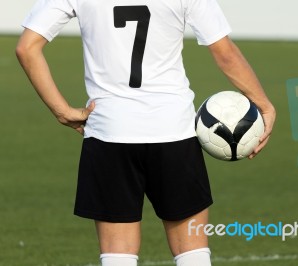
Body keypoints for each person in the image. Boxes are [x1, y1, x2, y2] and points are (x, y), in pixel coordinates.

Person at [16, 0, 276, 265]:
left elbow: (27, 48)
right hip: (174, 133)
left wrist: (61, 110)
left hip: (110, 134)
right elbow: (225, 53)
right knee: (192, 252)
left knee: (118, 255)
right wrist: (264, 105)